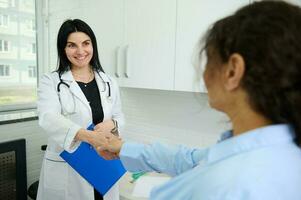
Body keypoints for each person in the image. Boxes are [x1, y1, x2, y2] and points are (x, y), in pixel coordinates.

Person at [92, 1, 301, 199]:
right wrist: (123, 148)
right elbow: (190, 159)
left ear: (232, 71)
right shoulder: (283, 153)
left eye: (208, 60)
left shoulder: (218, 186)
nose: (203, 75)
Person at [36, 19, 124, 200]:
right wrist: (90, 136)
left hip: (102, 166)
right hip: (69, 168)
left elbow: (119, 116)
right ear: (63, 49)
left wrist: (112, 124)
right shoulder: (51, 81)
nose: (81, 51)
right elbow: (48, 117)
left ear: (93, 45)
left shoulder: (108, 81)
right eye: (72, 45)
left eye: (86, 43)